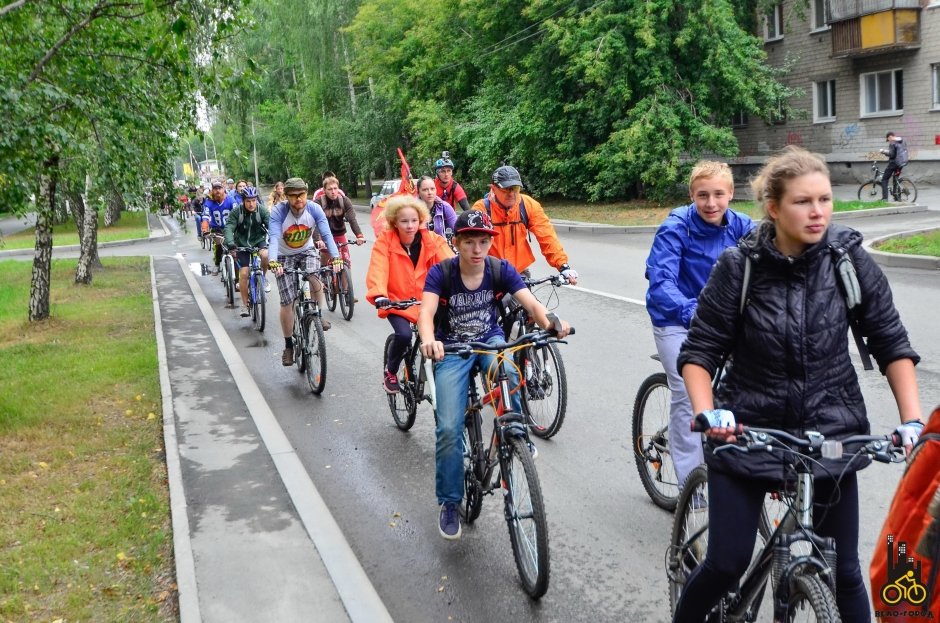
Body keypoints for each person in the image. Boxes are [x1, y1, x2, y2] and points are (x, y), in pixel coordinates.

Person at [673, 146, 924, 623]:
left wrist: (912, 419)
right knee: (727, 562)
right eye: (803, 202)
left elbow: (892, 342)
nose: (818, 213)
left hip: (830, 436)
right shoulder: (739, 266)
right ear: (773, 208)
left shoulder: (847, 260)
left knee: (844, 572)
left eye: (825, 200)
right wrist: (711, 413)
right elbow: (700, 353)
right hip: (746, 432)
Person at [417, 209, 571, 540]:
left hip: (489, 342)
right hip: (452, 349)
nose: (476, 249)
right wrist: (429, 341)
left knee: (510, 372)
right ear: (456, 242)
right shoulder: (441, 273)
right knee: (447, 427)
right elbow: (426, 313)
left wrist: (552, 324)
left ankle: (513, 437)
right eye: (469, 242)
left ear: (490, 243)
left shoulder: (500, 269)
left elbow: (531, 305)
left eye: (483, 241)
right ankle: (449, 502)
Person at [644, 161, 753, 488]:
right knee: (688, 390)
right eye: (703, 195)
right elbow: (661, 281)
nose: (711, 203)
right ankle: (692, 482)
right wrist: (694, 311)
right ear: (692, 195)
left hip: (722, 319)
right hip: (677, 319)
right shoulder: (676, 227)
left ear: (731, 194)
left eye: (719, 194)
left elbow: (771, 259)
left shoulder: (742, 226)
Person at [365, 195, 453, 393]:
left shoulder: (431, 239)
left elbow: (450, 263)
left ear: (421, 219)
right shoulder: (384, 242)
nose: (410, 225)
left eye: (414, 220)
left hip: (426, 300)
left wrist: (461, 285)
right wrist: (380, 295)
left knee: (445, 332)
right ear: (394, 222)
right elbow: (378, 269)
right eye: (404, 221)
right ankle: (391, 370)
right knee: (404, 335)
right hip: (396, 301)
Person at [267, 177, 342, 365]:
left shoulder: (314, 209)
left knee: (314, 278)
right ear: (286, 196)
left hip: (306, 251)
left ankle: (318, 314)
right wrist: (273, 261)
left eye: (301, 195)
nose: (298, 199)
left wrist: (336, 256)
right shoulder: (278, 211)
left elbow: (326, 234)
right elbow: (274, 238)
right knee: (287, 301)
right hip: (284, 256)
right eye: (292, 196)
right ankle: (289, 346)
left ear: (306, 193)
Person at [470, 165, 578, 284]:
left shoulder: (527, 205)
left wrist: (563, 266)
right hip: (488, 273)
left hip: (518, 272)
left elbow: (547, 236)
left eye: (515, 188)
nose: (511, 193)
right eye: (506, 189)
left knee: (529, 303)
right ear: (493, 188)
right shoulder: (481, 209)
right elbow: (470, 244)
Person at [223, 186, 270, 317]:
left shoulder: (262, 210)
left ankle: (263, 278)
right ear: (243, 201)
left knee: (265, 255)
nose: (251, 204)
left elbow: (271, 224)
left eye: (254, 200)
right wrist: (231, 243)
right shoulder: (237, 212)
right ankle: (244, 305)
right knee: (244, 273)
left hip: (258, 240)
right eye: (248, 201)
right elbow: (229, 227)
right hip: (241, 244)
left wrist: (275, 238)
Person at [314, 175, 366, 270]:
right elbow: (316, 222)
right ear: (324, 190)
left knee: (346, 264)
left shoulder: (345, 201)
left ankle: (345, 283)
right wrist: (318, 239)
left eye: (335, 188)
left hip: (339, 234)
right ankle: (323, 280)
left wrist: (359, 235)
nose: (333, 192)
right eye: (330, 189)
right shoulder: (318, 202)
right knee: (324, 263)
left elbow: (352, 219)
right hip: (324, 235)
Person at [201, 179, 237, 274]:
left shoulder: (231, 200)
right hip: (217, 228)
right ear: (212, 190)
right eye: (215, 188)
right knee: (218, 245)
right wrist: (205, 229)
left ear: (223, 189)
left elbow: (237, 214)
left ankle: (237, 278)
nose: (217, 191)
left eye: (219, 188)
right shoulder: (209, 202)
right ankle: (217, 264)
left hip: (231, 228)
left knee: (235, 250)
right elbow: (205, 216)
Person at [880, 131, 904, 201]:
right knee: (895, 179)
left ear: (890, 137)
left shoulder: (892, 143)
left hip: (894, 164)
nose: (888, 141)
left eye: (888, 139)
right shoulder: (900, 141)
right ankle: (897, 197)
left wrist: (884, 152)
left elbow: (892, 154)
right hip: (901, 164)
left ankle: (885, 198)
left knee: (884, 179)